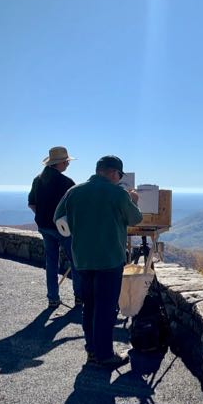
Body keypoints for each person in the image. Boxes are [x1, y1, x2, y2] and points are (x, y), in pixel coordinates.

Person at [55, 155, 143, 368]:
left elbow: (58, 219)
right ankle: (104, 355)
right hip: (109, 259)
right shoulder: (118, 194)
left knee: (90, 306)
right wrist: (133, 200)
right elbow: (136, 219)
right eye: (119, 175)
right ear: (114, 173)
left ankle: (92, 351)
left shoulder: (73, 192)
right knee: (105, 308)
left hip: (82, 259)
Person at [28, 146, 83, 308]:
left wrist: (43, 217)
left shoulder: (38, 180)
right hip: (63, 229)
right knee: (75, 261)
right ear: (59, 163)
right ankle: (79, 297)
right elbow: (76, 208)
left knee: (51, 262)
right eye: (66, 161)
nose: (67, 164)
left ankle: (53, 298)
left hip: (44, 227)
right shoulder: (66, 183)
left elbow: (32, 204)